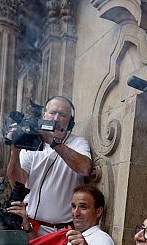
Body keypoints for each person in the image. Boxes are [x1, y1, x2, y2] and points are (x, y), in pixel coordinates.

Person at [6, 96, 93, 235]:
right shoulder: (31, 145)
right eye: (52, 113)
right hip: (30, 226)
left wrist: (53, 142)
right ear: (44, 115)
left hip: (63, 230)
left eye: (62, 115)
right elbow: (17, 183)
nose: (56, 118)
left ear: (70, 123)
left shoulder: (78, 143)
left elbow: (85, 168)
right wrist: (15, 151)